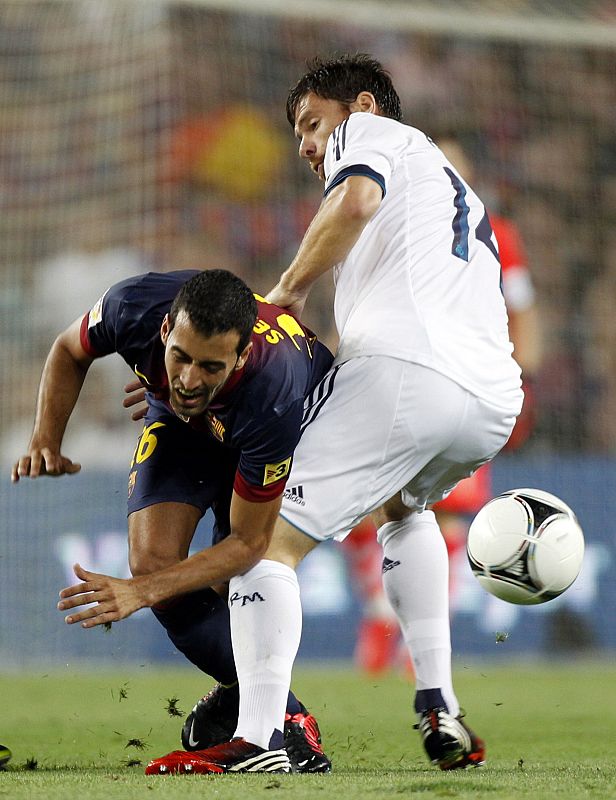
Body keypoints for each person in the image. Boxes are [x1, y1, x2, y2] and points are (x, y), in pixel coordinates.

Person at [51, 54, 523, 777]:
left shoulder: (372, 134)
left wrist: (284, 293)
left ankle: (264, 734)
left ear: (361, 104)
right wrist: (198, 383)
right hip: (488, 398)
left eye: (310, 123)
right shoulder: (447, 188)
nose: (306, 144)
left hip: (409, 374)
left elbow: (355, 202)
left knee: (261, 544)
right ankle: (439, 698)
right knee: (403, 509)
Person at [11, 268, 334, 774]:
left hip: (286, 433)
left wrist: (143, 594)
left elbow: (250, 543)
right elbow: (68, 349)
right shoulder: (132, 307)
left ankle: (257, 717)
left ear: (241, 356)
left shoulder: (275, 392)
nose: (188, 378)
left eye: (210, 366)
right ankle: (288, 719)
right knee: (152, 561)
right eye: (179, 357)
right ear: (164, 330)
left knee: (242, 582)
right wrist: (45, 439)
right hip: (187, 426)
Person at [343, 133, 543, 674]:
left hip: (465, 382)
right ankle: (383, 613)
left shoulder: (497, 234)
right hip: (394, 377)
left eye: (457, 164)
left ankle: (419, 641)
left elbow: (520, 307)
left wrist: (519, 377)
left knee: (449, 514)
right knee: (361, 504)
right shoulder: (391, 222)